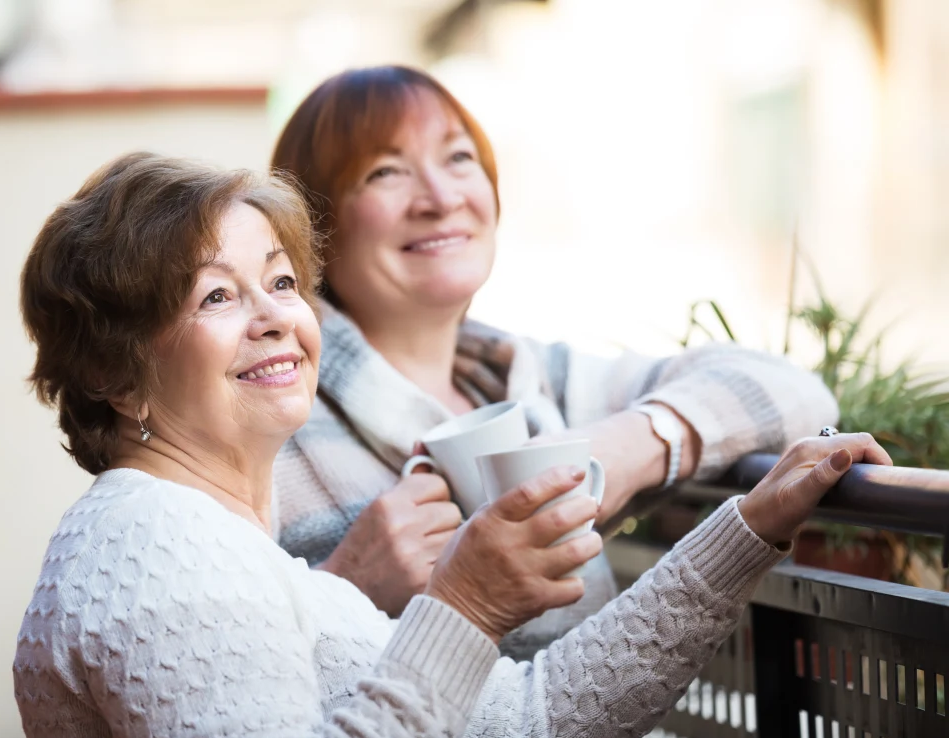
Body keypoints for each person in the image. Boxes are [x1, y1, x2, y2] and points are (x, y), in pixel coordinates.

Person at [12, 152, 889, 738]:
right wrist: (464, 607)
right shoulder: (153, 542)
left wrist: (748, 529)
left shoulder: (231, 549)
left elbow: (536, 720)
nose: (276, 315)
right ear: (115, 374)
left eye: (280, 281)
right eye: (216, 296)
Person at [269, 65, 840, 655]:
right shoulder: (270, 414)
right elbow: (222, 670)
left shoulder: (524, 381)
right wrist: (346, 584)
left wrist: (629, 449)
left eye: (459, 158)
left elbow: (796, 393)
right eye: (385, 172)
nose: (441, 198)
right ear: (311, 227)